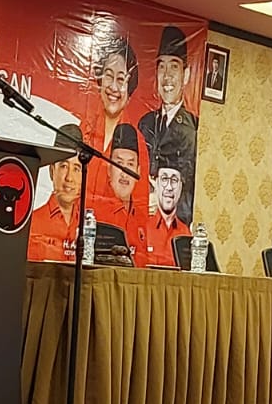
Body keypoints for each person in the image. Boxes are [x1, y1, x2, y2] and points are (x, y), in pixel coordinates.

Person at [84, 37, 150, 223]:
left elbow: (140, 208)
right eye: (108, 76)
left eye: (121, 79)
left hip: (116, 234)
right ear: (99, 80)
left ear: (130, 91)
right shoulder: (84, 130)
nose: (113, 87)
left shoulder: (137, 142)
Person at [138, 25, 198, 226]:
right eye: (161, 67)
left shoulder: (194, 127)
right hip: (143, 221)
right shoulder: (145, 123)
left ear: (186, 75)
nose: (167, 76)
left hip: (174, 225)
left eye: (174, 67)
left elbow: (190, 188)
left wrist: (164, 202)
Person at [95, 122, 149, 266]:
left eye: (130, 164)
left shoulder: (144, 219)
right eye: (119, 164)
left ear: (138, 171)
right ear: (109, 169)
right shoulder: (96, 216)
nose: (125, 173)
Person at [28, 150, 82, 262]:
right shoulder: (32, 223)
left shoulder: (89, 224)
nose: (69, 178)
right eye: (64, 166)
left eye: (76, 169)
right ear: (52, 171)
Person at [148, 143, 192, 267]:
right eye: (164, 179)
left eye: (174, 180)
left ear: (181, 187)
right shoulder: (143, 228)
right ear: (155, 183)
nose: (169, 187)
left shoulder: (185, 234)